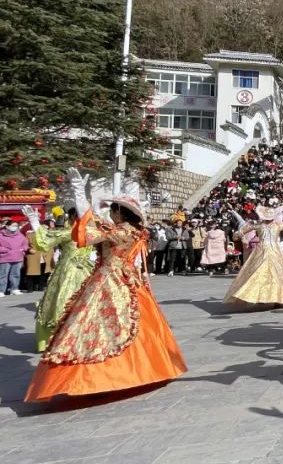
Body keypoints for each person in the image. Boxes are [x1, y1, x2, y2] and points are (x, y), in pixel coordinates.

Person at [25, 170, 187, 403]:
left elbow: (92, 229)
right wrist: (81, 196)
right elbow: (92, 224)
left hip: (113, 280)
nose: (110, 212)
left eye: (113, 209)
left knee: (105, 324)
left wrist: (81, 195)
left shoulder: (126, 232)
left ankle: (108, 375)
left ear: (121, 213)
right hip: (114, 278)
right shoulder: (123, 230)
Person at [22, 205, 96, 352]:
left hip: (69, 271)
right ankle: (82, 337)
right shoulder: (93, 231)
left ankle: (63, 338)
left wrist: (34, 221)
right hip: (88, 270)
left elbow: (44, 241)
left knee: (62, 302)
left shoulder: (69, 232)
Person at [223, 205, 283, 307]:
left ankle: (275, 297)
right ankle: (267, 297)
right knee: (267, 273)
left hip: (266, 251)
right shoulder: (269, 225)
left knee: (269, 274)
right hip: (269, 251)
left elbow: (240, 232)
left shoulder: (266, 225)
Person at [0, 217, 30, 296]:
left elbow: (25, 243)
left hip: (17, 257)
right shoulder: (1, 235)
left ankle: (14, 289)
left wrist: (23, 249)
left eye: (16, 226)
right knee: (3, 275)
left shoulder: (20, 235)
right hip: (5, 258)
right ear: (7, 226)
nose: (15, 227)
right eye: (13, 225)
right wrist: (5, 250)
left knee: (16, 274)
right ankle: (1, 290)